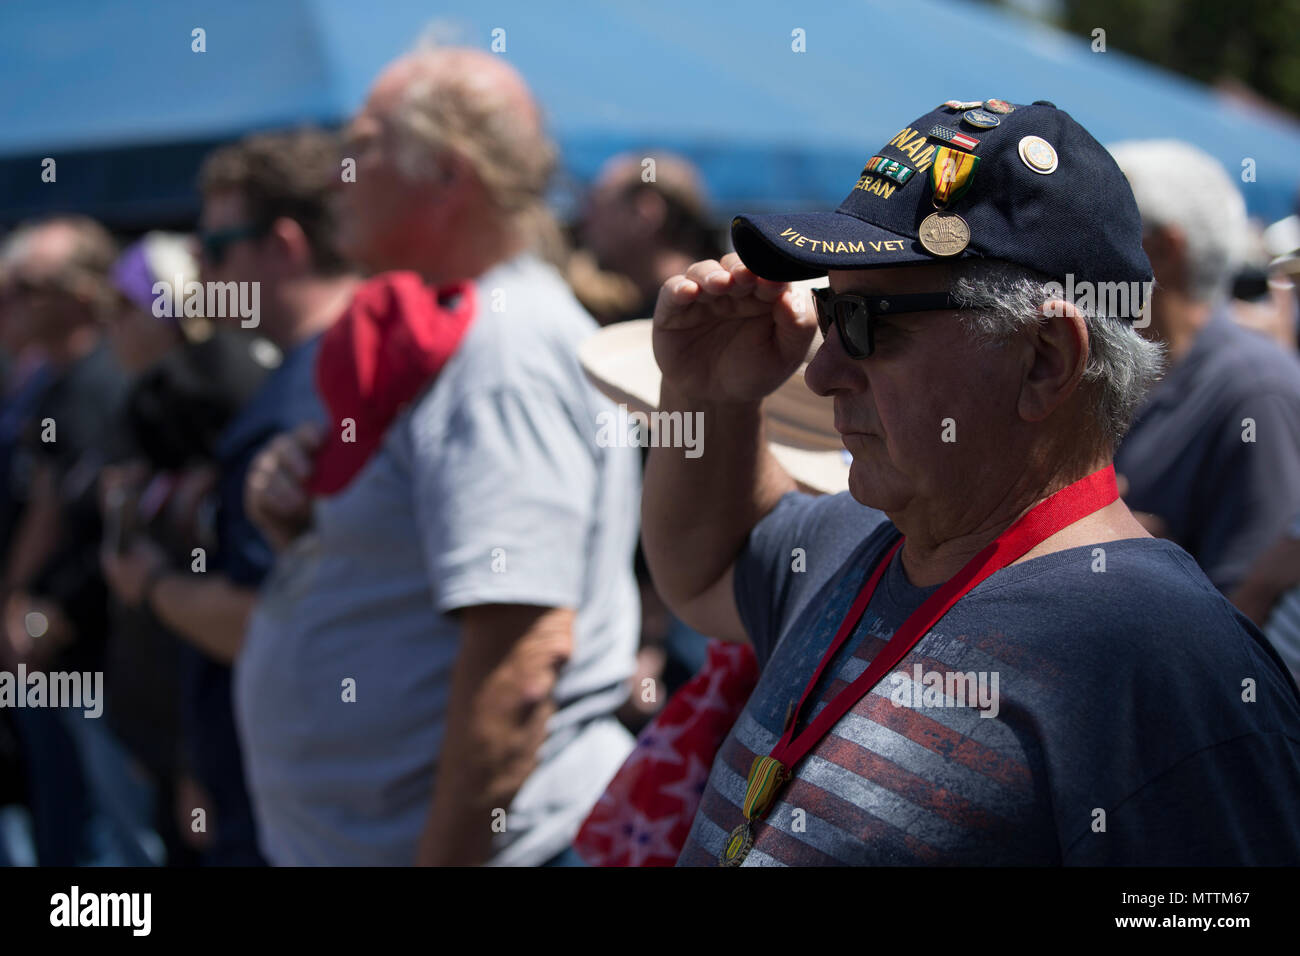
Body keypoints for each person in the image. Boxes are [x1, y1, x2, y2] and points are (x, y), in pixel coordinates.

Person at [643, 99, 1300, 865]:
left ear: (1045, 358)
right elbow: (707, 564)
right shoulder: (864, 542)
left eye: (867, 324)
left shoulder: (1161, 664)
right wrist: (711, 397)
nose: (820, 372)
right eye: (829, 312)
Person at [238, 45, 640, 867]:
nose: (335, 177)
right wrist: (303, 522)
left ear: (447, 176)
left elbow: (522, 660)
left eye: (361, 148)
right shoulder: (461, 330)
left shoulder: (505, 349)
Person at [100, 128, 360, 864]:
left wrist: (150, 587)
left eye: (212, 250)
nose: (204, 274)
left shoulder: (296, 398)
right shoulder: (345, 367)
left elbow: (265, 622)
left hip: (301, 806)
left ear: (282, 243)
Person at [1109, 140, 1300, 595]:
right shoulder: (1112, 356)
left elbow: (1251, 601)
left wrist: (1113, 546)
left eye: (1108, 229)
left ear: (1165, 250)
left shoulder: (1258, 390)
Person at [572, 152, 721, 326]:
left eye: (595, 201)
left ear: (646, 212)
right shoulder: (714, 306)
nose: (585, 217)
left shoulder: (696, 320)